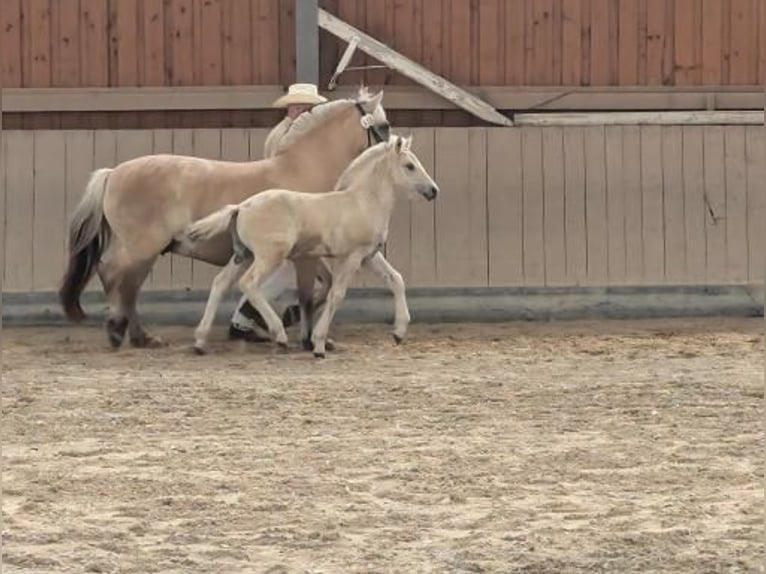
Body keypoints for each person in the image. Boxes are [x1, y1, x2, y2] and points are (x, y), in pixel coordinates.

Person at [229, 83, 328, 342]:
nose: (307, 113)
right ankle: (244, 320)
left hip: (287, 207)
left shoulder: (291, 133)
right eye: (303, 108)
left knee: (278, 269)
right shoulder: (287, 136)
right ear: (293, 108)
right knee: (282, 270)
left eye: (310, 109)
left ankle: (246, 320)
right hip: (284, 210)